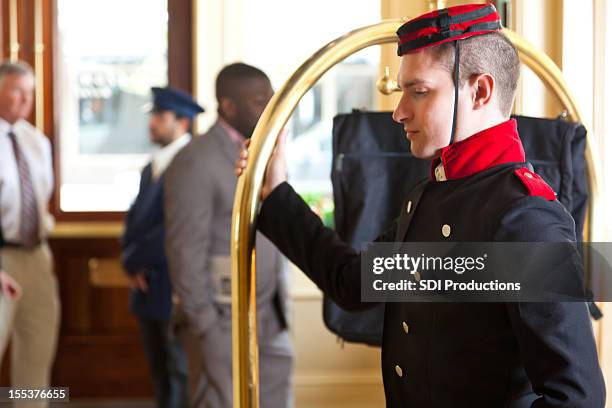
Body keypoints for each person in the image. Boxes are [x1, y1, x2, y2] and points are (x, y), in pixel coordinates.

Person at [235, 4, 605, 407]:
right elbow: (351, 282)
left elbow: (576, 398)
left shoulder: (524, 219)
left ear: (479, 91)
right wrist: (276, 192)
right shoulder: (429, 195)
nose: (399, 111)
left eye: (419, 91)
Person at [164, 63, 293, 408]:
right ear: (228, 105)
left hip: (271, 316)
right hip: (220, 323)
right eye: (258, 100)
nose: (268, 109)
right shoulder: (195, 160)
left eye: (270, 99)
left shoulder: (268, 154)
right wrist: (206, 328)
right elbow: (184, 252)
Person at [121, 87, 203, 408]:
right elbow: (136, 220)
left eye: (160, 117)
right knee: (159, 373)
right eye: (152, 115)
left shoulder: (191, 163)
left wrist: (137, 260)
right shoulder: (151, 166)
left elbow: (175, 227)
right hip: (146, 287)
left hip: (174, 284)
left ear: (182, 122)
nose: (152, 123)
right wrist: (131, 263)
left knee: (178, 374)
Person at [0, 60, 60, 408]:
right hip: (2, 259)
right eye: (17, 90)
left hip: (36, 256)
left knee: (37, 350)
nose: (26, 99)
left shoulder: (35, 140)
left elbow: (42, 198)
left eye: (30, 91)